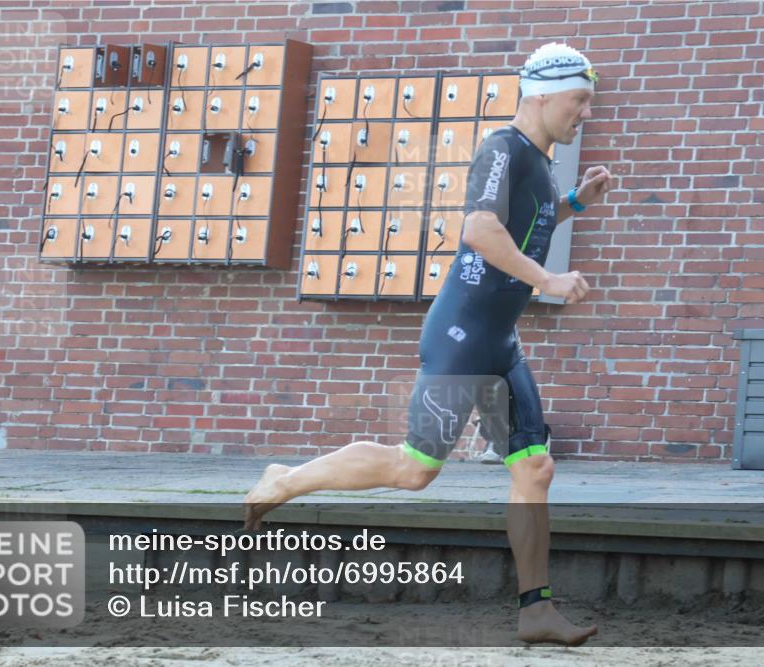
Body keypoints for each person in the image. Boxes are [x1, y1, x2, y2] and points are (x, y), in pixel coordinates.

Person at [244, 42, 613, 646]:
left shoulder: (539, 163)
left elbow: (524, 224)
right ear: (542, 96)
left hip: (501, 345)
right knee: (415, 470)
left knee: (534, 468)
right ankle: (285, 479)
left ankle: (536, 609)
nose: (585, 112)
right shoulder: (503, 148)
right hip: (463, 338)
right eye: (580, 100)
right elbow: (480, 229)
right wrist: (546, 280)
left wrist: (574, 203)